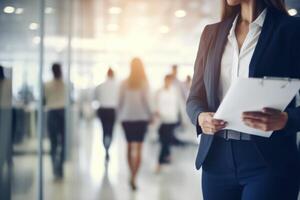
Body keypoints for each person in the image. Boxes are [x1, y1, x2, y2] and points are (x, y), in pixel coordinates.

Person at [186, 1, 300, 200]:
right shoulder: (211, 34)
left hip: (269, 161)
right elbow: (195, 98)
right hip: (216, 161)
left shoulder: (291, 31)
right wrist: (200, 116)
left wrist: (286, 119)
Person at [118, 58, 152, 191]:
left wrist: (119, 116)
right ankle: (134, 176)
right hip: (141, 119)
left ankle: (130, 172)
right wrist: (150, 115)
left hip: (126, 118)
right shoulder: (144, 83)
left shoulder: (123, 83)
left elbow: (119, 103)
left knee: (128, 146)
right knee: (138, 149)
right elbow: (146, 102)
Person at [155, 74, 184, 172]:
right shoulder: (160, 91)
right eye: (166, 80)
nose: (168, 82)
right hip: (163, 119)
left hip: (172, 119)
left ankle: (159, 163)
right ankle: (168, 155)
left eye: (169, 80)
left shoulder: (175, 91)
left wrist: (183, 119)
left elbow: (179, 105)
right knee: (163, 137)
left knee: (164, 141)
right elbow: (157, 104)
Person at [44, 63, 66, 179]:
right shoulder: (65, 85)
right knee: (62, 142)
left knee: (53, 143)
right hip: (62, 113)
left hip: (52, 113)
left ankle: (54, 168)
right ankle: (60, 168)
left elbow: (43, 101)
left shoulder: (47, 85)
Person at [94, 68, 119, 163]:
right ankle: (108, 148)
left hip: (103, 110)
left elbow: (96, 98)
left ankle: (106, 149)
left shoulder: (100, 86)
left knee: (104, 130)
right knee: (111, 130)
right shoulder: (117, 86)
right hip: (112, 111)